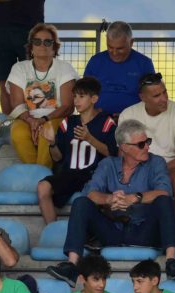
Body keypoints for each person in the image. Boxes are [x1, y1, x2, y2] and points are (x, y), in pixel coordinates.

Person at [46, 120, 175, 286]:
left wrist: (135, 198)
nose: (147, 147)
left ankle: (171, 262)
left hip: (144, 231)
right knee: (81, 202)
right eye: (141, 144)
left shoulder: (156, 162)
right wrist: (109, 199)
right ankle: (71, 266)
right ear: (124, 147)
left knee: (164, 200)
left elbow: (164, 191)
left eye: (148, 141)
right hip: (113, 230)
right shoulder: (108, 164)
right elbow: (90, 193)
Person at [38, 77, 118, 224]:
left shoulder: (106, 122)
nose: (76, 101)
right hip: (70, 174)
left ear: (94, 99)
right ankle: (52, 230)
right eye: (74, 96)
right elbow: (57, 158)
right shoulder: (68, 122)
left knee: (96, 197)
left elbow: (112, 154)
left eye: (81, 96)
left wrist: (89, 138)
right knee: (43, 187)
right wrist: (52, 143)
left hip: (94, 176)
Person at [119, 72, 175, 221]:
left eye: (164, 92)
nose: (164, 99)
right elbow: (123, 155)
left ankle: (172, 228)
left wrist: (154, 171)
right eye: (157, 96)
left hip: (171, 166)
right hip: (137, 167)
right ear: (143, 98)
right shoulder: (128, 114)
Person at [7, 22, 77, 168]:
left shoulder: (64, 68)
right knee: (17, 133)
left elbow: (68, 106)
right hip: (27, 118)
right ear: (31, 47)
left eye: (48, 42)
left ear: (54, 47)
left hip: (55, 118)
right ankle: (38, 175)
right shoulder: (19, 68)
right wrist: (32, 121)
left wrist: (43, 120)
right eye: (37, 42)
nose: (42, 45)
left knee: (47, 132)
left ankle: (40, 174)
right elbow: (17, 104)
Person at [0, 0, 44, 115]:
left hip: (31, 27)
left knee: (35, 81)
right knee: (5, 85)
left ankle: (37, 123)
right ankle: (10, 124)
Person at [83, 21, 156, 116]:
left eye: (120, 48)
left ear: (131, 43)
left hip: (134, 119)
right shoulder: (95, 61)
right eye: (110, 47)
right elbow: (83, 94)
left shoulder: (144, 64)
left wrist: (127, 116)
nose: (114, 53)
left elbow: (152, 96)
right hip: (98, 119)